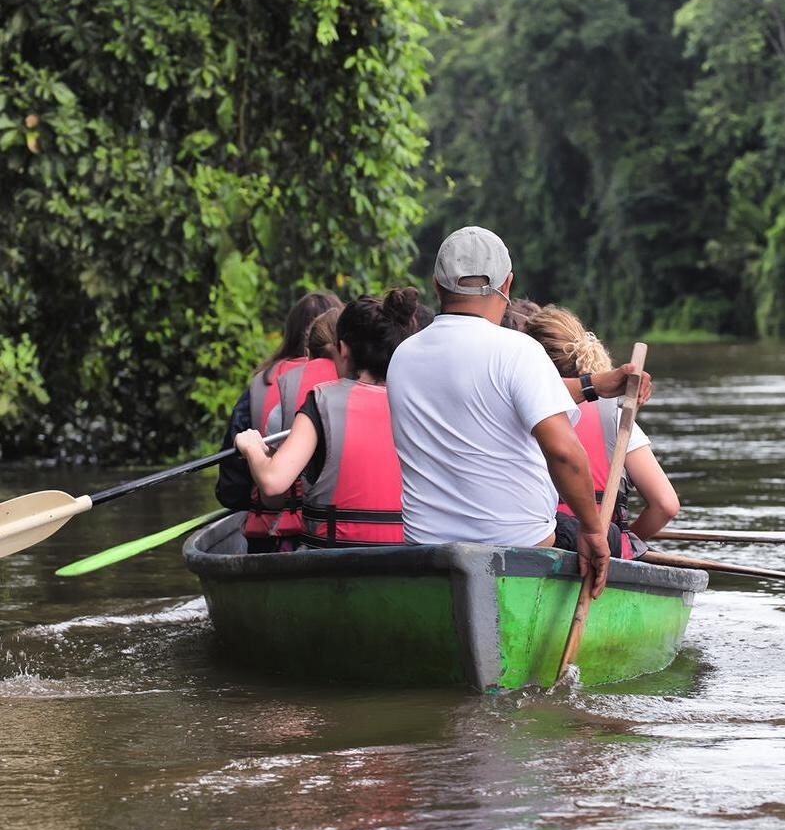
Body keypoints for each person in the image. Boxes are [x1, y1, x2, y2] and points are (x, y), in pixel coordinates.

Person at [386, 226, 651, 599]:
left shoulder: (403, 357)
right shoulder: (518, 352)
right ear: (507, 285)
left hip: (428, 549)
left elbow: (495, 391)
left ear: (436, 285)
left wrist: (595, 385)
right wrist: (592, 530)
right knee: (606, 533)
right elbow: (563, 452)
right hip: (523, 547)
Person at [235, 288, 419, 548]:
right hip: (407, 557)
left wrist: (253, 447)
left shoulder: (321, 402)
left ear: (343, 349)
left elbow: (273, 483)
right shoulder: (421, 403)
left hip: (334, 562)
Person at [525, 304, 679, 557]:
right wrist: (622, 545)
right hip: (601, 550)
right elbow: (666, 505)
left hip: (539, 544)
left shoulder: (521, 413)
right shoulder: (616, 417)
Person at [215, 291, 342, 550]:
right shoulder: (369, 386)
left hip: (275, 536)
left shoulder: (260, 387)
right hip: (343, 534)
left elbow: (231, 491)